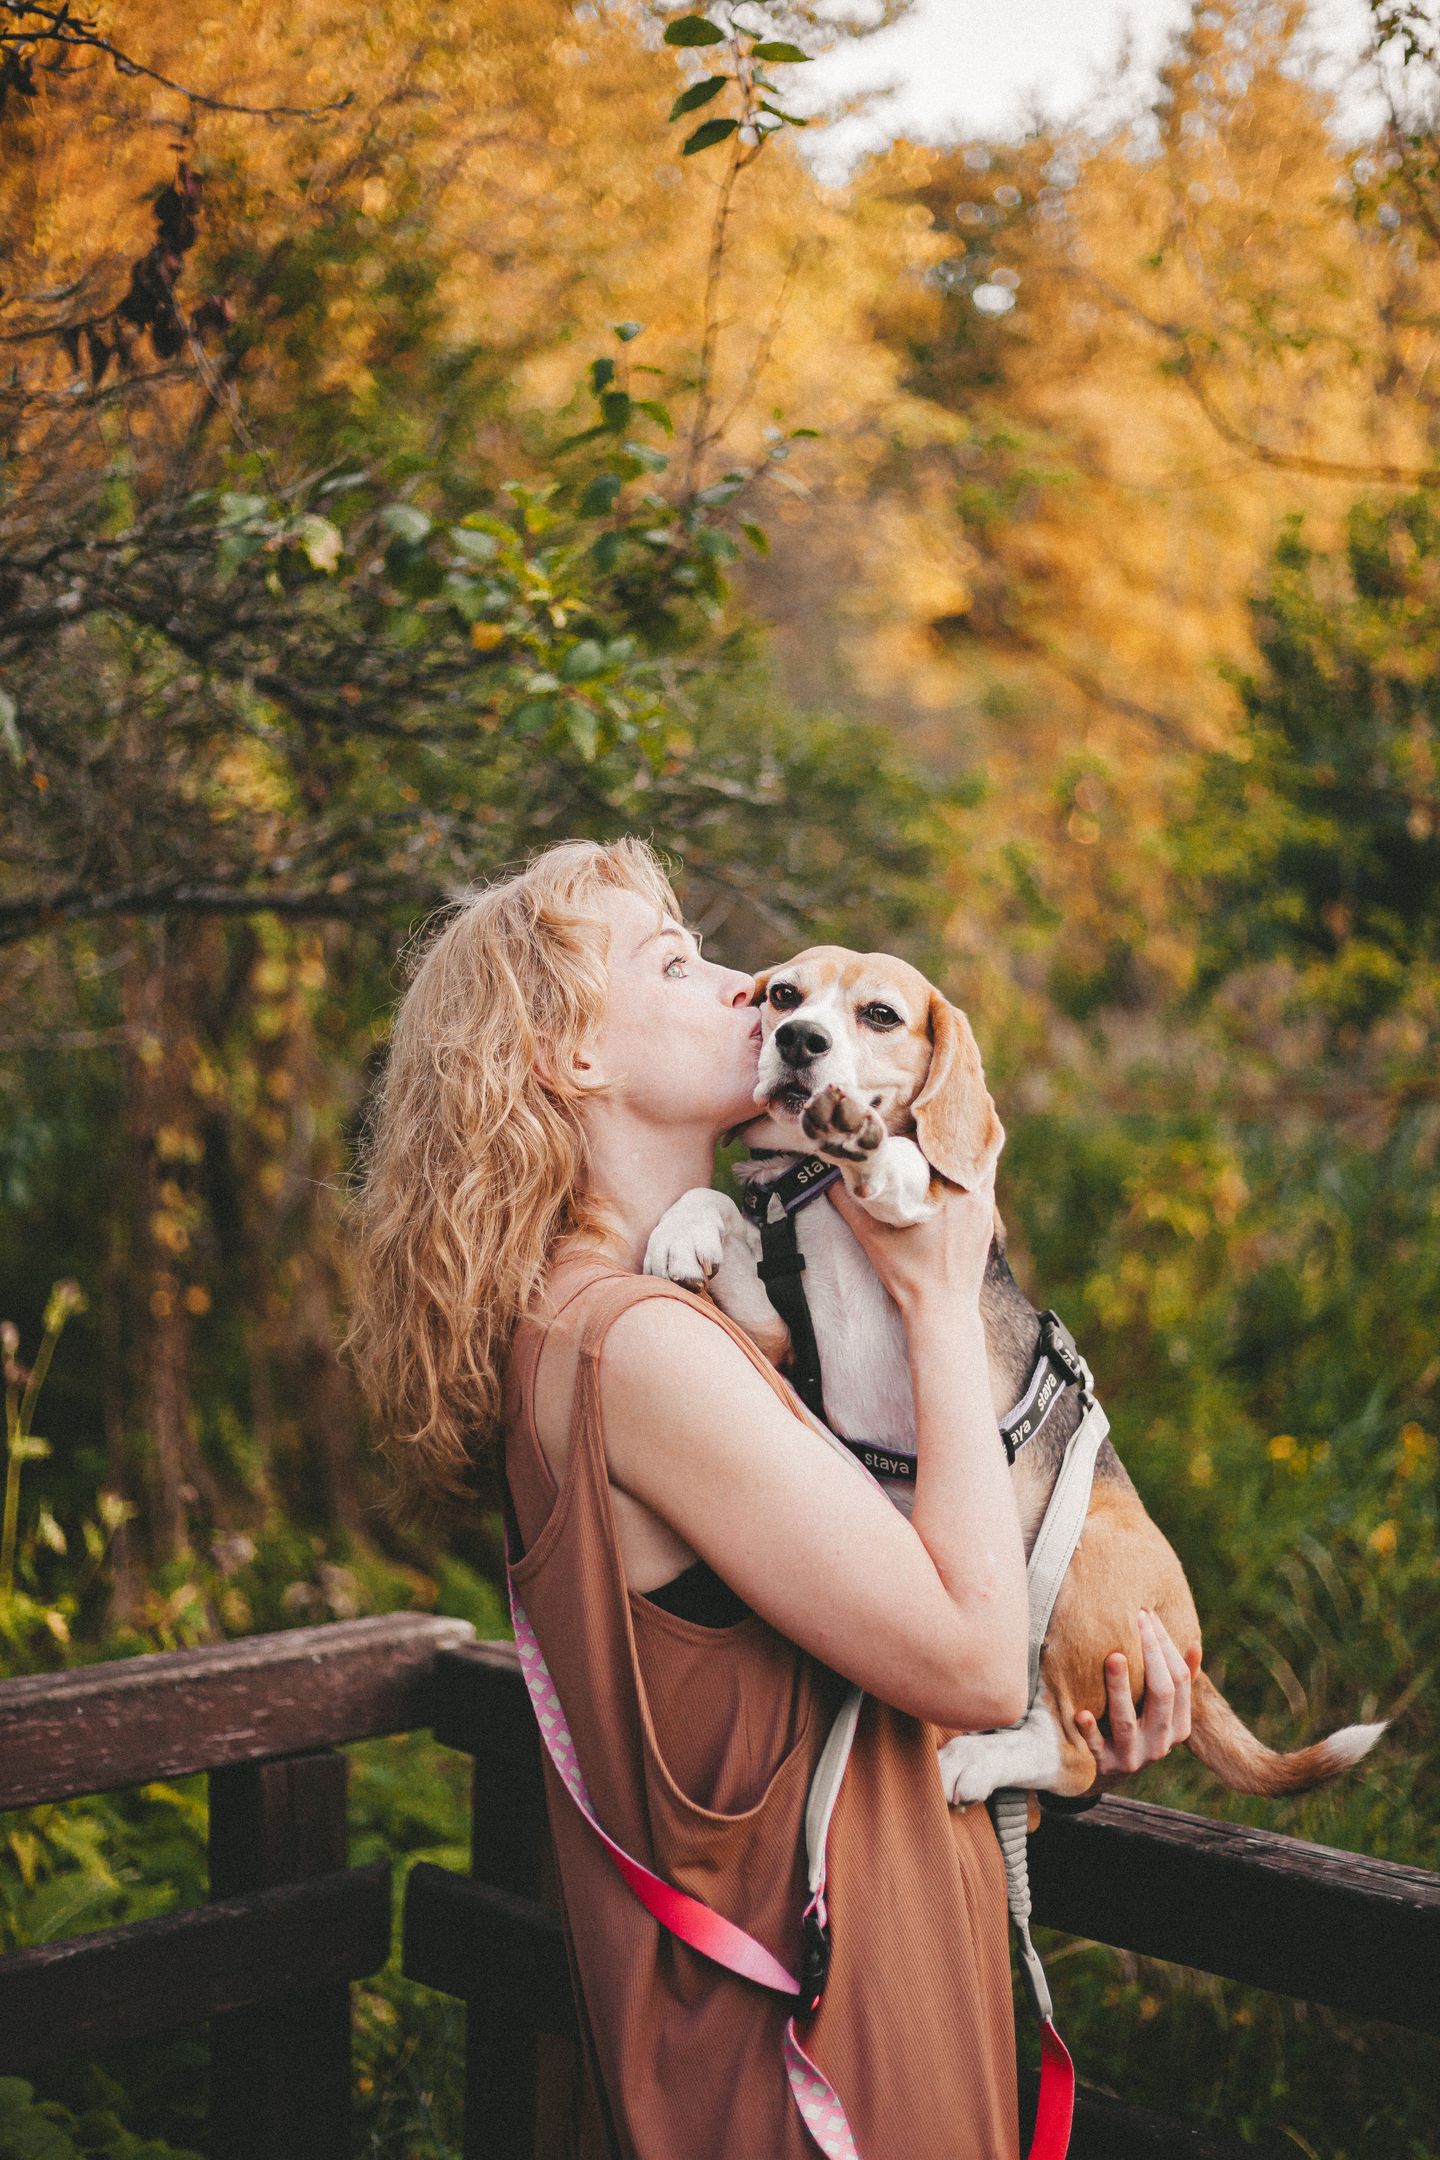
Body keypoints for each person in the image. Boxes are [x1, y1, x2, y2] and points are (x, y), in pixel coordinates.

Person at [347, 836, 1196, 2160]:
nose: (749, 987)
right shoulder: (640, 1349)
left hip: (814, 1988)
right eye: (676, 964)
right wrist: (938, 1291)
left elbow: (901, 1633)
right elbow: (971, 1663)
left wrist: (1075, 1701)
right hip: (830, 2046)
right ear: (575, 1055)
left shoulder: (619, 1317)